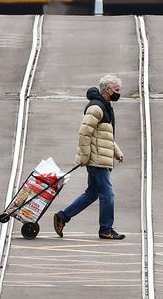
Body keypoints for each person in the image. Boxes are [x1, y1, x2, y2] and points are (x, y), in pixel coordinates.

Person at [53, 74, 125, 240]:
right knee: (108, 194)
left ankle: (63, 217)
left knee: (92, 193)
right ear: (107, 90)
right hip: (96, 159)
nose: (118, 93)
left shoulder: (105, 106)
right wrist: (85, 157)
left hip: (100, 157)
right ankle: (106, 229)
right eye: (116, 90)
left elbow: (105, 136)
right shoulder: (96, 108)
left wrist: (117, 152)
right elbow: (84, 134)